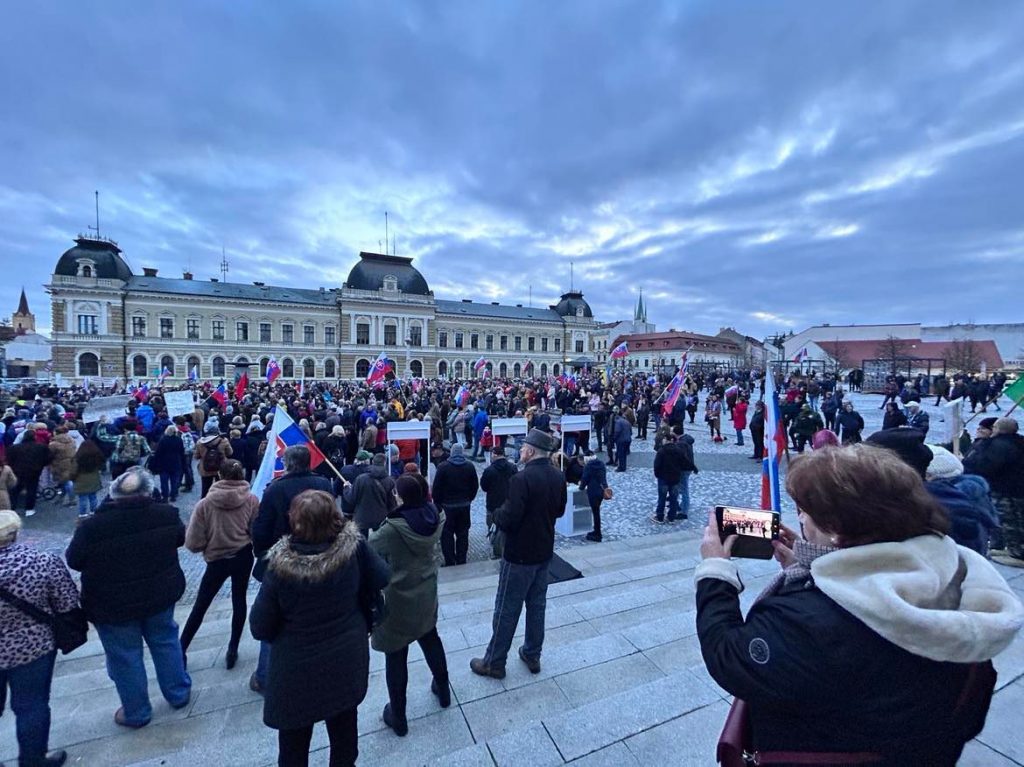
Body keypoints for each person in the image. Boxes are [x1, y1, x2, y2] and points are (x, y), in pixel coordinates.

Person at [696, 444, 1023, 765]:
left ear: (836, 530)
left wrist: (716, 573)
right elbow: (870, 584)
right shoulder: (957, 574)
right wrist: (810, 564)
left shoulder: (806, 621)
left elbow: (730, 656)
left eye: (805, 512)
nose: (801, 520)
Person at [250, 489, 390, 767]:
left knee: (293, 747)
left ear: (296, 522)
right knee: (344, 734)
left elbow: (260, 626)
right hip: (346, 656)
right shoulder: (354, 547)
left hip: (296, 667)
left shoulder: (279, 568)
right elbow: (382, 576)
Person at [65, 468, 191, 728]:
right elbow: (180, 538)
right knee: (166, 641)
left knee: (125, 656)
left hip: (113, 604)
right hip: (159, 594)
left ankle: (136, 711)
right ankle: (178, 693)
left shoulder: (93, 526)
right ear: (149, 492)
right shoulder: (166, 514)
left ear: (112, 494)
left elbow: (74, 560)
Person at [471, 428, 566, 678]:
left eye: (523, 447)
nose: (520, 451)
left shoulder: (521, 480)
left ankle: (494, 661)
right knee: (537, 606)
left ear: (531, 451)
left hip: (519, 554)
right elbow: (559, 511)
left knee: (507, 607)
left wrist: (497, 514)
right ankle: (532, 654)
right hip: (544, 551)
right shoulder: (558, 476)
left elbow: (510, 518)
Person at [368, 475, 449, 737]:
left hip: (398, 598)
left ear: (401, 497)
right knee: (430, 638)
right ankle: (444, 689)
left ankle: (399, 716)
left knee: (396, 655)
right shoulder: (435, 515)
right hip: (426, 591)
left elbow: (371, 550)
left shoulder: (392, 528)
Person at [250, 445, 333, 693]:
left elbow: (262, 529)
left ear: (287, 463)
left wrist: (263, 552)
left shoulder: (275, 489)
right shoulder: (324, 484)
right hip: (322, 555)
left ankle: (265, 675)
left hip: (283, 561)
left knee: (275, 616)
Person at [0, 510, 79, 767]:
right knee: (32, 705)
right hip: (33, 647)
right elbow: (67, 601)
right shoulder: (41, 561)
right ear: (14, 533)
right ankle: (33, 760)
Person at [179, 460, 259, 670]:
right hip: (242, 555)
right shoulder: (251, 500)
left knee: (201, 604)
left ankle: (182, 648)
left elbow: (193, 542)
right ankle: (233, 648)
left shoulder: (205, 504)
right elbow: (254, 531)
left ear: (220, 476)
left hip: (216, 560)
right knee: (239, 599)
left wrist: (209, 543)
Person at [964, 417, 1024, 567]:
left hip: (1007, 489)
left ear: (998, 429)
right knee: (1015, 519)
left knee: (1010, 520)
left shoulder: (999, 445)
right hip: (1017, 488)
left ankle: (1017, 554)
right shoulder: (1019, 441)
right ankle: (1011, 548)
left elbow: (985, 466)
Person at [430, 442, 480, 566]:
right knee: (463, 533)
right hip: (464, 505)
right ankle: (462, 559)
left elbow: (436, 488)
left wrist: (438, 504)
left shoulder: (443, 467)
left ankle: (450, 560)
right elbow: (475, 485)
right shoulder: (469, 466)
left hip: (447, 506)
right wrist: (469, 499)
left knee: (447, 534)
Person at [342, 453, 395, 538]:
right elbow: (391, 504)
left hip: (362, 517)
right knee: (379, 542)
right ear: (384, 463)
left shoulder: (361, 479)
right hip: (380, 517)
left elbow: (351, 499)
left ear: (372, 462)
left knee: (361, 543)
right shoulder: (389, 481)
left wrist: (346, 489)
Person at [480, 444, 517, 558]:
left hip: (493, 504)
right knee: (509, 528)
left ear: (494, 455)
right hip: (509, 502)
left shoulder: (489, 470)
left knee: (494, 528)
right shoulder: (512, 467)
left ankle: (497, 552)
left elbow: (484, 487)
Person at [652, 433, 694, 523]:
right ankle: (671, 517)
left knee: (662, 498)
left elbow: (656, 465)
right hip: (675, 478)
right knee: (673, 498)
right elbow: (685, 462)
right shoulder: (678, 450)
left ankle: (660, 516)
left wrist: (657, 474)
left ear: (667, 440)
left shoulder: (662, 451)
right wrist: (693, 468)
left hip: (663, 478)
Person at [8, 429, 49, 517]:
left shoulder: (15, 447)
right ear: (34, 437)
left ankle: (12, 507)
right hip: (34, 471)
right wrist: (40, 466)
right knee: (32, 489)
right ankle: (29, 509)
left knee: (15, 489)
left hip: (18, 471)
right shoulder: (41, 447)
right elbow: (48, 458)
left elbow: (9, 459)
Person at [150, 424, 186, 503]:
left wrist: (155, 464)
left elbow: (158, 453)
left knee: (164, 481)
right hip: (176, 462)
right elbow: (182, 452)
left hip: (164, 463)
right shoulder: (179, 440)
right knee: (174, 480)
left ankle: (165, 496)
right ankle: (173, 495)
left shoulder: (163, 440)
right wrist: (184, 463)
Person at [195, 423, 232, 498]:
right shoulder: (223, 441)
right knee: (221, 488)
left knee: (205, 488)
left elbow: (196, 456)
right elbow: (230, 453)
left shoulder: (200, 442)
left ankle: (204, 504)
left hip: (205, 468)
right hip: (221, 467)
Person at [71, 439, 106, 518]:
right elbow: (102, 467)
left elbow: (73, 470)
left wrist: (72, 477)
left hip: (81, 479)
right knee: (93, 496)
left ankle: (82, 513)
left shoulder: (78, 458)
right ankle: (93, 511)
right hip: (94, 478)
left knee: (82, 498)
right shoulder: (97, 457)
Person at [578, 453, 608, 542]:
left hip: (593, 492)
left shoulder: (588, 466)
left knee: (595, 513)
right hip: (601, 491)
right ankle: (596, 531)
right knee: (596, 511)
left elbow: (585, 479)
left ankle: (597, 533)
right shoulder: (601, 464)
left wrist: (581, 487)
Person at [48, 425, 77, 507]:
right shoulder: (71, 440)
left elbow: (49, 454)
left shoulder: (53, 444)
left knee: (66, 482)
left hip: (59, 464)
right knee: (66, 480)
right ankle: (63, 497)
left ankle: (71, 499)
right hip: (71, 462)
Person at [611, 407, 632, 472]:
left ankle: (621, 467)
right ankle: (624, 466)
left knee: (620, 454)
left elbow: (617, 431)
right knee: (624, 454)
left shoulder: (618, 422)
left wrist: (614, 438)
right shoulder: (627, 422)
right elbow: (631, 432)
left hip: (621, 440)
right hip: (628, 439)